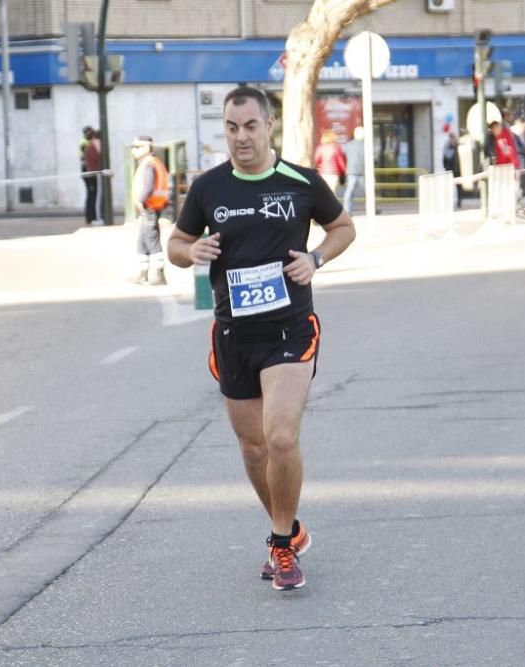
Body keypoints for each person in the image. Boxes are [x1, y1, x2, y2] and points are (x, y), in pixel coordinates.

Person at [167, 86, 356, 591]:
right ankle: (290, 530)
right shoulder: (209, 188)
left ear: (269, 124)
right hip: (233, 333)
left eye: (250, 126)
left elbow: (342, 227)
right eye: (231, 128)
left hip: (289, 329)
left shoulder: (300, 182)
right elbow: (175, 244)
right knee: (253, 449)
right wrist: (193, 251)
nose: (241, 137)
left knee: (280, 436)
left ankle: (278, 544)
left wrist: (315, 258)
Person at [131, 136, 170, 285]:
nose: (134, 150)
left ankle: (159, 275)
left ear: (147, 148)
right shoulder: (151, 163)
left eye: (137, 147)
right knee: (142, 241)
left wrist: (141, 200)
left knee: (151, 240)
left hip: (149, 207)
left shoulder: (149, 164)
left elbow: (148, 186)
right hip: (150, 207)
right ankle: (142, 274)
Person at [313, 129, 346, 195]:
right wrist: (344, 172)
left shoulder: (320, 148)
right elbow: (341, 162)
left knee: (323, 194)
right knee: (332, 194)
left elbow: (316, 161)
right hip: (334, 174)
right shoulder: (336, 148)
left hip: (323, 173)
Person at [342, 126, 365, 213]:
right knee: (369, 191)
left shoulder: (348, 145)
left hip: (351, 170)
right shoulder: (365, 145)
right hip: (363, 171)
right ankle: (374, 208)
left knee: (349, 191)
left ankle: (347, 210)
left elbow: (344, 155)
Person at [83, 129, 103, 225]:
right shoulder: (93, 145)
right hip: (93, 173)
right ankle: (94, 217)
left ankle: (90, 217)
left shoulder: (88, 144)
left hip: (89, 173)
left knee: (91, 195)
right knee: (95, 196)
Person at [441, 130, 462, 208]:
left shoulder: (458, 146)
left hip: (457, 170)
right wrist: (446, 168)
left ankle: (459, 201)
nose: (452, 139)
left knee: (459, 187)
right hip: (449, 170)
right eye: (451, 138)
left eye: (454, 137)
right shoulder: (446, 146)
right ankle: (448, 202)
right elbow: (444, 159)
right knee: (448, 187)